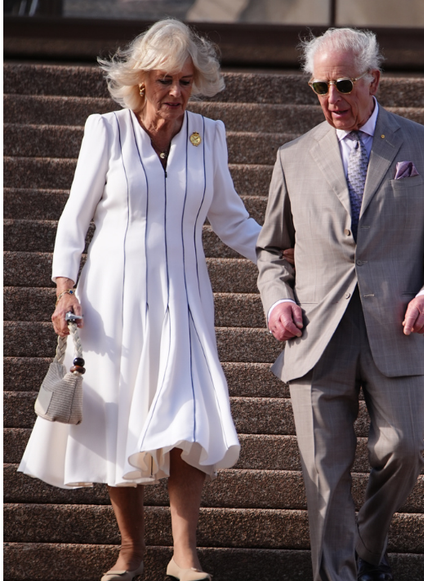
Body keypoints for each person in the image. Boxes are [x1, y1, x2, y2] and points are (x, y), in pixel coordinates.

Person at [17, 19, 262, 581]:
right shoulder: (105, 130)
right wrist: (64, 291)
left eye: (185, 81)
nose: (176, 92)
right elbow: (73, 220)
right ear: (140, 82)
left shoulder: (209, 135)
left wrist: (287, 256)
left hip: (186, 300)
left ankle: (184, 554)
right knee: (119, 419)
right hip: (111, 300)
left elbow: (232, 220)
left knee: (190, 420)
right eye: (163, 79)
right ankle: (130, 549)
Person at [255, 27, 424, 581]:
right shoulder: (293, 156)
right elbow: (271, 249)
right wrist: (277, 300)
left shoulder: (422, 145)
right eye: (320, 87)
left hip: (397, 330)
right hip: (314, 335)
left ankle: (366, 554)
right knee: (322, 480)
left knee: (404, 451)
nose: (332, 98)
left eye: (344, 84)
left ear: (375, 79)